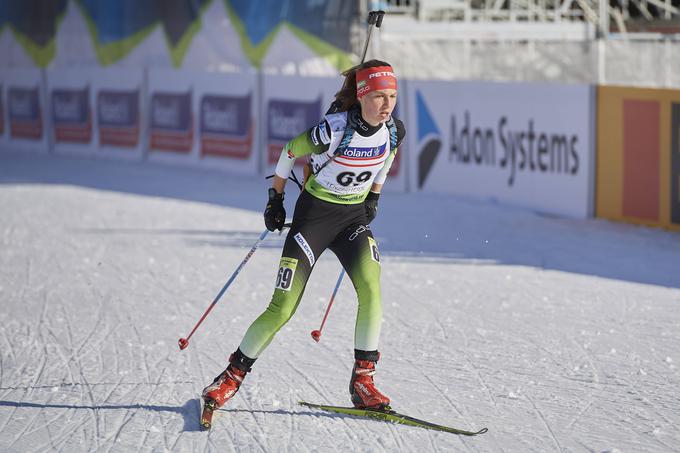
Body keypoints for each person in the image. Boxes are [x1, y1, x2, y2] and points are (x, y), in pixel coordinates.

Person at [202, 59, 406, 411]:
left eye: (392, 96)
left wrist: (374, 195)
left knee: (372, 288)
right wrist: (276, 199)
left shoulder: (393, 131)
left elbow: (387, 159)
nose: (387, 105)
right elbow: (289, 151)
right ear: (361, 96)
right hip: (313, 220)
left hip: (352, 219)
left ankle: (364, 382)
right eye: (378, 96)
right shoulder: (333, 129)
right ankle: (229, 378)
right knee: (282, 308)